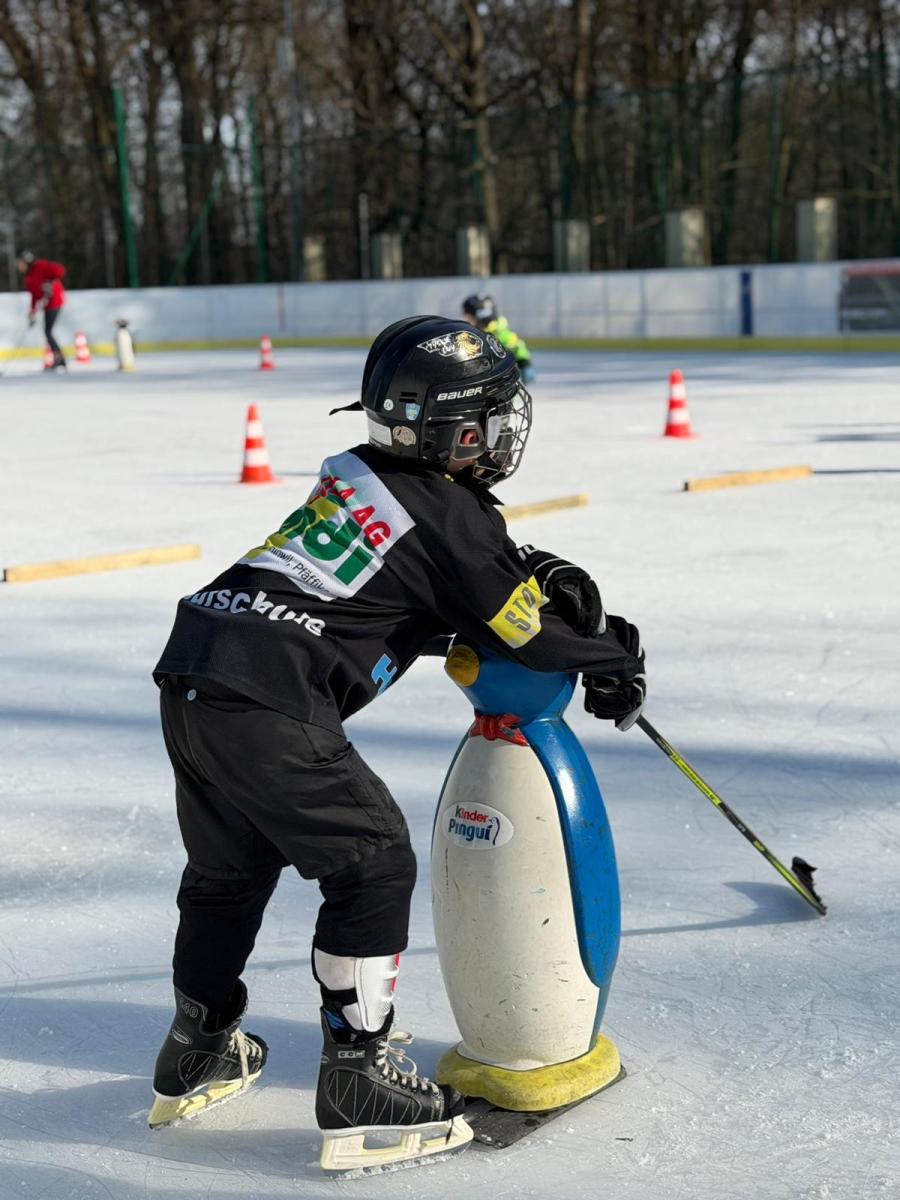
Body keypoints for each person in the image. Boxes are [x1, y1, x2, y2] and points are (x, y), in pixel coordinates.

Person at [148, 316, 645, 1171]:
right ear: (458, 427)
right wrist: (611, 660)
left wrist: (521, 563)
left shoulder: (375, 478)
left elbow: (410, 582)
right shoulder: (449, 517)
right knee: (372, 863)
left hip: (199, 666)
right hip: (271, 696)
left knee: (229, 873)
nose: (504, 430)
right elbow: (521, 636)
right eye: (492, 414)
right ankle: (360, 1077)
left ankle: (198, 1046)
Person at [462, 292, 534, 383]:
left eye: (469, 317)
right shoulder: (479, 331)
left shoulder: (497, 332)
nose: (466, 320)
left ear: (479, 316)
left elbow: (517, 345)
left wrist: (524, 363)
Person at [17, 251, 67, 369]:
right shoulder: (28, 278)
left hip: (55, 302)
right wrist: (32, 312)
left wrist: (50, 282)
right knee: (47, 332)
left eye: (21, 263)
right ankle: (58, 359)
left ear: (27, 262)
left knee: (48, 332)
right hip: (46, 305)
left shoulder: (41, 266)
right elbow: (34, 296)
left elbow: (60, 271)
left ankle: (60, 359)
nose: (19, 266)